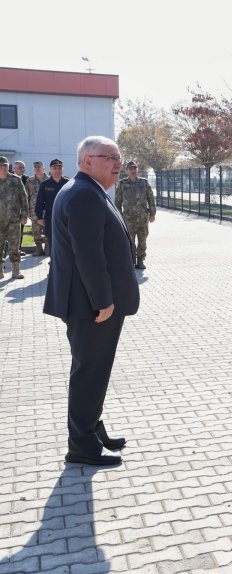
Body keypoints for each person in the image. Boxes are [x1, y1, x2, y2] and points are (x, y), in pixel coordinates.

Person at [43, 136, 139, 467]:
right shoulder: (84, 194)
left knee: (96, 370)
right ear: (86, 161)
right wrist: (104, 301)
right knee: (89, 372)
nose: (118, 164)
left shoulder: (87, 190)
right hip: (91, 305)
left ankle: (91, 427)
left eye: (119, 157)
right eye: (109, 157)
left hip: (90, 302)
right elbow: (89, 256)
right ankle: (81, 445)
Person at [114, 161, 156, 270]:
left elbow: (151, 199)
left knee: (142, 241)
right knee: (129, 242)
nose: (133, 170)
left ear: (137, 170)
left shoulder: (144, 183)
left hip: (142, 219)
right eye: (131, 169)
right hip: (128, 219)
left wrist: (152, 213)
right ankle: (131, 262)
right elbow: (117, 202)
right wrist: (119, 218)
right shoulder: (122, 184)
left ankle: (140, 261)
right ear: (126, 170)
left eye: (135, 168)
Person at [0, 157, 30, 280]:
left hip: (14, 220)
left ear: (9, 166)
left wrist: (24, 216)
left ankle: (15, 271)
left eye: (5, 165)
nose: (3, 167)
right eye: (1, 165)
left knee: (14, 246)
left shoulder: (16, 180)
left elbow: (24, 198)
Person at [36, 158, 70, 256]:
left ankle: (67, 268)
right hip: (50, 217)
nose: (57, 170)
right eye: (55, 168)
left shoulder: (68, 183)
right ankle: (53, 267)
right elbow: (39, 202)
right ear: (50, 170)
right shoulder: (45, 185)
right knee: (52, 242)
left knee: (67, 241)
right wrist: (39, 217)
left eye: (59, 167)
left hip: (66, 217)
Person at [26, 161, 48, 256]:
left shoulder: (49, 180)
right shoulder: (29, 181)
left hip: (47, 210)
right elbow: (27, 196)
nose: (37, 168)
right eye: (35, 167)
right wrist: (26, 211)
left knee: (47, 230)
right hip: (33, 210)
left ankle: (48, 248)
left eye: (39, 167)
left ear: (43, 168)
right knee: (36, 231)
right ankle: (38, 248)